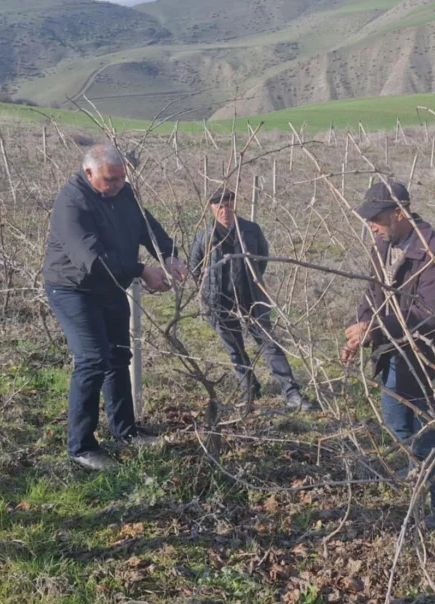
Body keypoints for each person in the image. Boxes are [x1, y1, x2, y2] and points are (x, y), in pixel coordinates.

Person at [43, 144, 189, 470]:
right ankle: (81, 447)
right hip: (74, 288)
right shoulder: (72, 202)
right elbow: (91, 259)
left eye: (122, 178)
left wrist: (167, 253)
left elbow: (144, 224)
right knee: (93, 359)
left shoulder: (122, 192)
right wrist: (141, 271)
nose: (118, 185)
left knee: (119, 355)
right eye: (110, 180)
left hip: (110, 287)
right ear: (89, 173)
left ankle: (125, 431)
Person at [340, 181, 435, 530]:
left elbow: (429, 315)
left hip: (430, 361)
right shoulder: (384, 245)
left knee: (433, 435)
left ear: (399, 213)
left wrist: (374, 329)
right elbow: (371, 293)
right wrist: (360, 327)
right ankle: (416, 468)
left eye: (375, 218)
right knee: (395, 420)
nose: (371, 226)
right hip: (393, 353)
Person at [190, 188, 316, 411]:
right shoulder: (205, 236)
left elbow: (262, 259)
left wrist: (251, 280)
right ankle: (249, 389)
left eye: (229, 204)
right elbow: (196, 268)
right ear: (212, 208)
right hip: (220, 303)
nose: (225, 210)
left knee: (269, 345)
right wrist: (208, 292)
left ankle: (291, 392)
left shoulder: (250, 230)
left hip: (252, 300)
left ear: (235, 205)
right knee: (235, 349)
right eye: (220, 206)